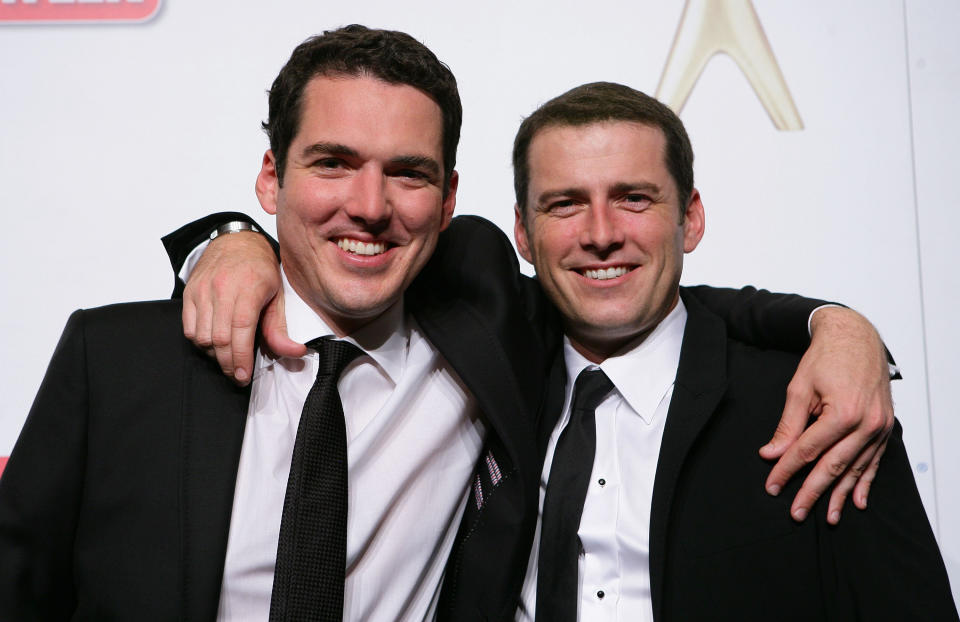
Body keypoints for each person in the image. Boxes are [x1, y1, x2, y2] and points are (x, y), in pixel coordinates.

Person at [1, 26, 893, 622]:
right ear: (269, 179)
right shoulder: (113, 360)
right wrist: (229, 242)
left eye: (409, 173)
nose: (370, 205)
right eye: (332, 163)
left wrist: (836, 322)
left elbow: (637, 286)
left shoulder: (484, 325)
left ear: (452, 199)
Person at [504, 82, 955, 620]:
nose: (601, 234)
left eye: (634, 199)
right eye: (565, 204)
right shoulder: (488, 383)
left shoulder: (819, 406)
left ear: (690, 219)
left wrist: (844, 328)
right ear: (524, 234)